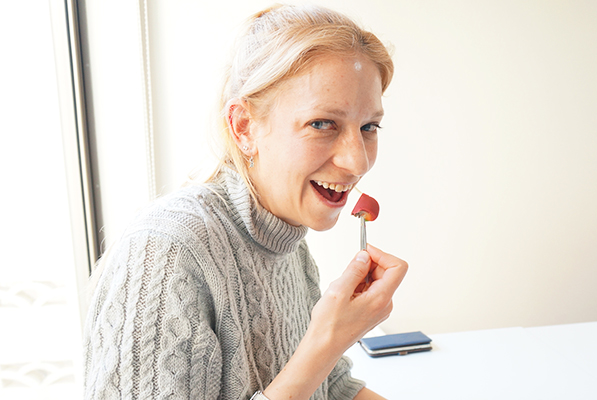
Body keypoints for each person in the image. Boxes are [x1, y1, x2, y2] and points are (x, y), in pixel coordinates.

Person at [82, 4, 407, 400]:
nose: (358, 161)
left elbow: (332, 387)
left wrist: (331, 343)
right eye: (322, 124)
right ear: (244, 127)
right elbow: (313, 368)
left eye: (368, 127)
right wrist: (326, 341)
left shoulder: (289, 246)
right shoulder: (165, 254)